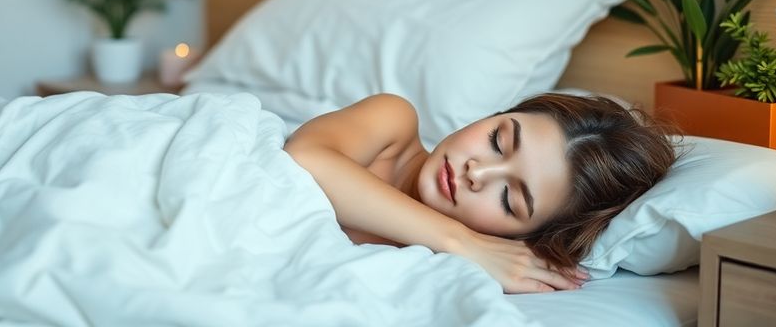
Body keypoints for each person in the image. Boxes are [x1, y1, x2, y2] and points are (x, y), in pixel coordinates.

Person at [283, 92, 676, 294]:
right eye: (497, 139)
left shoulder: (448, 268)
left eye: (509, 199)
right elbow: (305, 159)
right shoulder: (393, 123)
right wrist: (463, 241)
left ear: (517, 237)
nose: (478, 172)